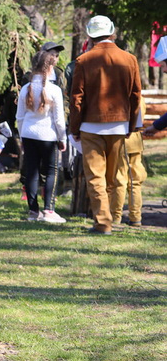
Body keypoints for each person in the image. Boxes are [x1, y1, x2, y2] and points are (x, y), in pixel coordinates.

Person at [69, 15, 142, 235]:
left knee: (96, 177)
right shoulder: (129, 59)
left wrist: (74, 128)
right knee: (112, 177)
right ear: (112, 32)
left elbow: (76, 98)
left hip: (91, 125)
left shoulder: (83, 60)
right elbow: (135, 95)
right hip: (119, 125)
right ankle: (110, 218)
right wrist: (131, 124)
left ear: (90, 35)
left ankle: (103, 223)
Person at [16, 50, 68, 223]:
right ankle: (49, 210)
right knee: (51, 171)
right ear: (50, 67)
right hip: (48, 135)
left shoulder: (25, 89)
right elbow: (59, 119)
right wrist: (63, 138)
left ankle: (33, 211)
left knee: (32, 172)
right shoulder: (54, 90)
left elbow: (20, 117)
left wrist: (22, 138)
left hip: (29, 134)